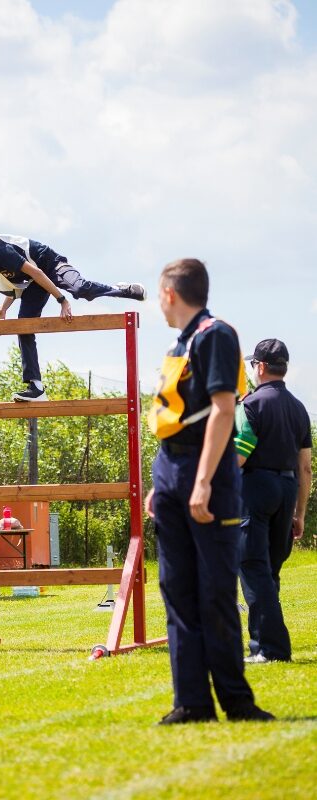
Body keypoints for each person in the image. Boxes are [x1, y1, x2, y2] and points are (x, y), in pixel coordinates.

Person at [145, 258, 274, 724]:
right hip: (171, 466)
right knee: (176, 590)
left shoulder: (216, 334)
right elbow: (173, 414)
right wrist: (161, 481)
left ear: (171, 294)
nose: (157, 300)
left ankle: (237, 702)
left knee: (215, 591)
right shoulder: (179, 343)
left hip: (208, 472)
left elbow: (223, 410)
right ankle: (191, 703)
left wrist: (201, 481)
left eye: (159, 292)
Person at [0, 228, 146, 401]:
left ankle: (121, 289)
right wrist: (4, 308)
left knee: (80, 289)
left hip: (48, 263)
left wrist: (62, 300)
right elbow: (18, 287)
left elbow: (38, 273)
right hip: (33, 282)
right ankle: (36, 387)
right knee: (23, 326)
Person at [234, 339, 312, 663]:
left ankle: (272, 648)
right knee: (270, 571)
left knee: (253, 568)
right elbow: (305, 466)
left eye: (254, 365)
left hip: (256, 487)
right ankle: (260, 643)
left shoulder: (250, 404)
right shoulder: (299, 409)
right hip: (288, 487)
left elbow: (240, 454)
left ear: (261, 367)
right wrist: (300, 514)